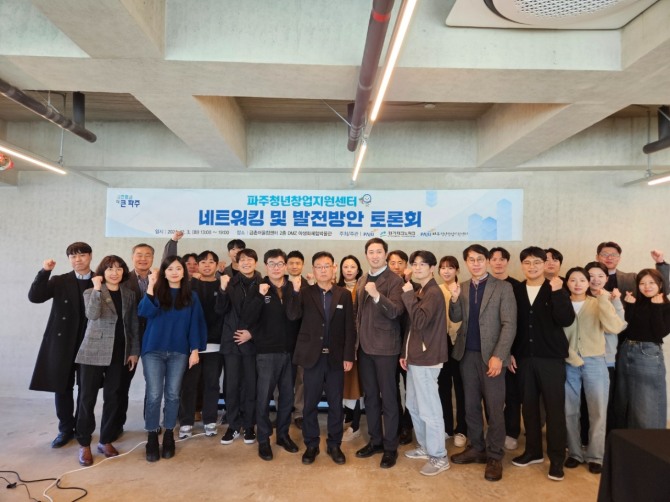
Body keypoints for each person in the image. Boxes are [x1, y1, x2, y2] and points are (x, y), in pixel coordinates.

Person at [449, 245, 517, 482]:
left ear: (487, 261)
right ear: (466, 263)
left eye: (480, 259)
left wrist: (499, 355)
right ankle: (477, 447)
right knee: (470, 406)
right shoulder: (463, 287)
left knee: (495, 408)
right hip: (467, 355)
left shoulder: (503, 287)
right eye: (471, 260)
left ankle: (495, 455)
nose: (476, 263)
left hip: (492, 357)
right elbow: (456, 317)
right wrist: (454, 298)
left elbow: (509, 324)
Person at [510, 247, 575, 482]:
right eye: (527, 262)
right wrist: (510, 352)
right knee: (528, 408)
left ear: (544, 264)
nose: (532, 267)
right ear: (522, 265)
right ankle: (533, 451)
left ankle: (556, 459)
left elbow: (566, 319)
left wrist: (558, 293)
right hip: (524, 358)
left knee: (555, 410)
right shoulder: (516, 290)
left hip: (551, 359)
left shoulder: (556, 287)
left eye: (537, 262)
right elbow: (510, 324)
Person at [287, 251, 355, 465]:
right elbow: (292, 316)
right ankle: (311, 444)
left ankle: (334, 445)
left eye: (327, 266)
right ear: (313, 270)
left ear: (334, 268)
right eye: (319, 267)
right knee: (310, 404)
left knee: (336, 404)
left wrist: (348, 356)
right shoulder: (305, 293)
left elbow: (349, 327)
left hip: (336, 358)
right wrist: (295, 292)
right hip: (311, 358)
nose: (323, 270)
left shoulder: (343, 294)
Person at [139, 255, 207, 462]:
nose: (175, 272)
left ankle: (169, 434)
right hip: (153, 350)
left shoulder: (191, 296)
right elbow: (144, 312)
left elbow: (196, 324)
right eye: (170, 269)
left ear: (184, 272)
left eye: (178, 268)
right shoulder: (157, 292)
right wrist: (151, 286)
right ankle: (152, 435)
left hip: (179, 351)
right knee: (154, 394)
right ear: (164, 272)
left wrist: (195, 350)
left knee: (173, 394)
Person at [75, 256, 140, 466]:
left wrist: (134, 351)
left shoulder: (129, 294)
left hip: (120, 352)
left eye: (119, 269)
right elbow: (92, 315)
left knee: (114, 397)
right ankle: (84, 444)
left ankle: (105, 440)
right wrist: (96, 289)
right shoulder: (90, 292)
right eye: (110, 269)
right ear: (102, 272)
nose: (115, 273)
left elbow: (132, 323)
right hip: (93, 351)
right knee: (87, 398)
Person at [28, 242, 93, 449]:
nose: (78, 260)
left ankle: (82, 429)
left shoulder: (99, 279)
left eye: (82, 255)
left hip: (89, 343)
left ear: (90, 256)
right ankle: (65, 429)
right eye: (73, 256)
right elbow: (35, 297)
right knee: (62, 387)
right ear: (69, 259)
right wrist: (44, 272)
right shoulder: (59, 280)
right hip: (63, 342)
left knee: (86, 388)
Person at [562, 267, 625, 475]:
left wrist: (604, 300)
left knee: (597, 410)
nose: (578, 284)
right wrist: (571, 356)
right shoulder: (561, 304)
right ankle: (574, 453)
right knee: (570, 410)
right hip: (568, 362)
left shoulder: (598, 302)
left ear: (588, 283)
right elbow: (556, 335)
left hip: (596, 362)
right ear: (567, 283)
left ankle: (596, 456)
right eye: (573, 280)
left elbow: (615, 327)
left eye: (582, 280)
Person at [354, 238, 405, 469]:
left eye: (379, 252)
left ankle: (390, 447)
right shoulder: (363, 278)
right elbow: (357, 314)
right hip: (364, 348)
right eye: (371, 252)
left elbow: (396, 311)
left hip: (386, 349)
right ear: (366, 255)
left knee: (389, 399)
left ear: (385, 254)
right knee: (371, 397)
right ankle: (375, 441)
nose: (374, 256)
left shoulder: (395, 280)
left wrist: (376, 296)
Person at [400, 250, 450, 476]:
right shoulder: (422, 290)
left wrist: (408, 295)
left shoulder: (433, 292)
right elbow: (412, 329)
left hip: (427, 359)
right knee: (413, 405)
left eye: (422, 264)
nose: (417, 267)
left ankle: (439, 456)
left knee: (429, 409)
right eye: (415, 264)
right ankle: (426, 447)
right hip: (415, 358)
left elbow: (419, 321)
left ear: (432, 268)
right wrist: (405, 353)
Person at [250, 249, 302, 461]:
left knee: (287, 397)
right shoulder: (258, 287)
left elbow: (296, 316)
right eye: (272, 264)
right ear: (266, 266)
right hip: (266, 352)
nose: (276, 267)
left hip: (290, 352)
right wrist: (259, 297)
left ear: (285, 266)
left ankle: (283, 435)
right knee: (263, 398)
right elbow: (248, 318)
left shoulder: (293, 287)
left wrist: (296, 292)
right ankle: (263, 439)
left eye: (280, 263)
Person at [217, 248, 262, 445]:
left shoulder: (263, 284)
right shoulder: (229, 282)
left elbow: (267, 316)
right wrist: (222, 290)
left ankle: (249, 425)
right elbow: (220, 310)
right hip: (232, 342)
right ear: (236, 262)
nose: (246, 262)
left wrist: (252, 333)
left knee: (251, 386)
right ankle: (234, 425)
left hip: (252, 344)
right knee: (232, 386)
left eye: (250, 259)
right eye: (242, 259)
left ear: (255, 262)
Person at [616, 269, 670, 429]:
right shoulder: (635, 301)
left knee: (647, 403)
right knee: (625, 400)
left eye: (651, 282)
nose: (647, 287)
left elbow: (660, 333)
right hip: (626, 349)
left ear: (660, 284)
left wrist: (656, 307)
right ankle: (629, 440)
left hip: (648, 353)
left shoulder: (666, 306)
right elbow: (626, 328)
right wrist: (629, 306)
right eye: (642, 283)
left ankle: (650, 441)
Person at [178, 251, 224, 439]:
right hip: (192, 345)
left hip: (215, 344)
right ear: (197, 265)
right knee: (189, 384)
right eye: (203, 262)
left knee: (212, 384)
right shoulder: (189, 286)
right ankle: (186, 422)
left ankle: (210, 420)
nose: (207, 265)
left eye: (211, 262)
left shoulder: (223, 285)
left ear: (216, 265)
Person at [116, 242, 155, 437]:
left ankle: (151, 423)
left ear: (153, 258)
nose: (143, 258)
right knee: (121, 385)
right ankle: (116, 425)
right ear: (132, 257)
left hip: (153, 338)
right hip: (128, 339)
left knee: (153, 385)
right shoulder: (122, 280)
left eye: (148, 255)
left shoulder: (160, 280)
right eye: (139, 254)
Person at [585, 261, 625, 435]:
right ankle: (583, 438)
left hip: (606, 358)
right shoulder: (579, 296)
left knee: (603, 403)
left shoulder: (612, 298)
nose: (595, 280)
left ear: (607, 279)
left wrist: (615, 302)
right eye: (591, 276)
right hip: (582, 357)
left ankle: (603, 441)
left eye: (600, 276)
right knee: (582, 403)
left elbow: (618, 326)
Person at [489, 246, 522, 451]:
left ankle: (511, 432)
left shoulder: (517, 286)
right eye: (494, 259)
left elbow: (516, 323)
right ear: (488, 262)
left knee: (511, 395)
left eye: (502, 259)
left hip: (510, 351)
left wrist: (511, 353)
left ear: (507, 262)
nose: (498, 263)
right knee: (491, 397)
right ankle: (494, 431)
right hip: (488, 351)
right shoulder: (484, 285)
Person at [436, 256, 466, 448]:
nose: (446, 271)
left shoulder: (465, 289)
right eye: (443, 268)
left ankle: (462, 429)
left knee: (462, 389)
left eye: (450, 268)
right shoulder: (435, 290)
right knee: (443, 387)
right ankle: (446, 427)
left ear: (457, 270)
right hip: (441, 344)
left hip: (461, 344)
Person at [387, 249, 414, 446]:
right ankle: (395, 423)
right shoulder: (383, 287)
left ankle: (408, 425)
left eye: (400, 263)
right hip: (388, 347)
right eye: (392, 263)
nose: (396, 266)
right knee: (391, 388)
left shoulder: (413, 287)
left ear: (406, 265)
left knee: (411, 389)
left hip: (409, 347)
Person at [337, 255, 364, 442]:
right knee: (340, 382)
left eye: (352, 266)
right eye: (345, 266)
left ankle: (355, 424)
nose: (348, 270)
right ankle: (346, 416)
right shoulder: (335, 287)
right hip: (338, 344)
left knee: (355, 383)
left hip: (359, 344)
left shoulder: (363, 288)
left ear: (358, 269)